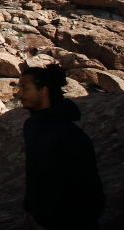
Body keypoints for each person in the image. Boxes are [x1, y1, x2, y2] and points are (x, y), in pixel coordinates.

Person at [17, 65, 104, 230]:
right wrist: (30, 208)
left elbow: (88, 186)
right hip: (39, 216)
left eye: (25, 88)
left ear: (44, 90)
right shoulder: (31, 125)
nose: (19, 94)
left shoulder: (68, 134)